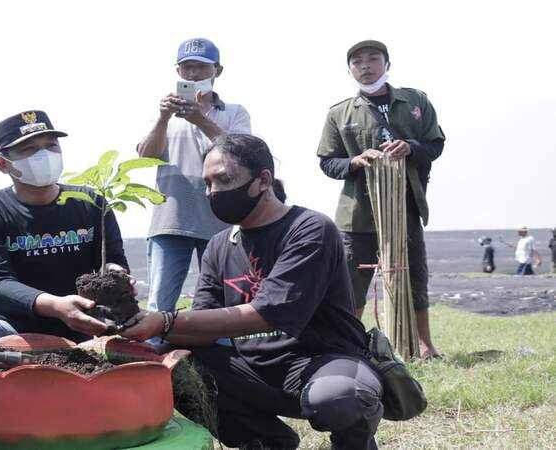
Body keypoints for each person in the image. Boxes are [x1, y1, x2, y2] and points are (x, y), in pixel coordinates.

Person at [122, 135, 383, 450]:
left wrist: (165, 320)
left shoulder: (309, 229)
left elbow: (267, 314)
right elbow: (202, 325)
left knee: (341, 398)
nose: (213, 192)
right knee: (171, 366)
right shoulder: (220, 245)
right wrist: (134, 331)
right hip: (254, 370)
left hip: (321, 362)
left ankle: (355, 444)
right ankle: (265, 440)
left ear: (263, 180)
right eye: (207, 183)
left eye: (223, 179)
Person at [0, 111, 130, 345]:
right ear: (3, 164)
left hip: (88, 317)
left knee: (153, 344)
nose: (44, 155)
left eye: (51, 146)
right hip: (11, 325)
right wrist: (56, 306)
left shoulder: (91, 202)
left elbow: (112, 258)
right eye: (28, 149)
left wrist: (117, 275)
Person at [316, 39, 445, 359]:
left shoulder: (415, 102)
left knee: (414, 273)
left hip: (405, 208)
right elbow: (328, 162)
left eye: (373, 58)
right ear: (350, 70)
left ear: (387, 64)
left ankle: (424, 345)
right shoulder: (340, 113)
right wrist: (355, 161)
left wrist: (410, 147)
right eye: (358, 61)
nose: (366, 65)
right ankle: (346, 346)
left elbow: (435, 144)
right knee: (351, 282)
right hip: (357, 213)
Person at [138, 37, 252, 315]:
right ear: (178, 72)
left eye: (201, 67)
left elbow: (243, 156)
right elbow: (145, 156)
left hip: (220, 220)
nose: (193, 73)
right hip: (171, 218)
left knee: (222, 298)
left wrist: (200, 119)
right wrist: (164, 118)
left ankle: (222, 352)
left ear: (217, 71)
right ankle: (155, 351)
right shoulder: (163, 114)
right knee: (160, 300)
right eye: (187, 67)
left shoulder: (234, 112)